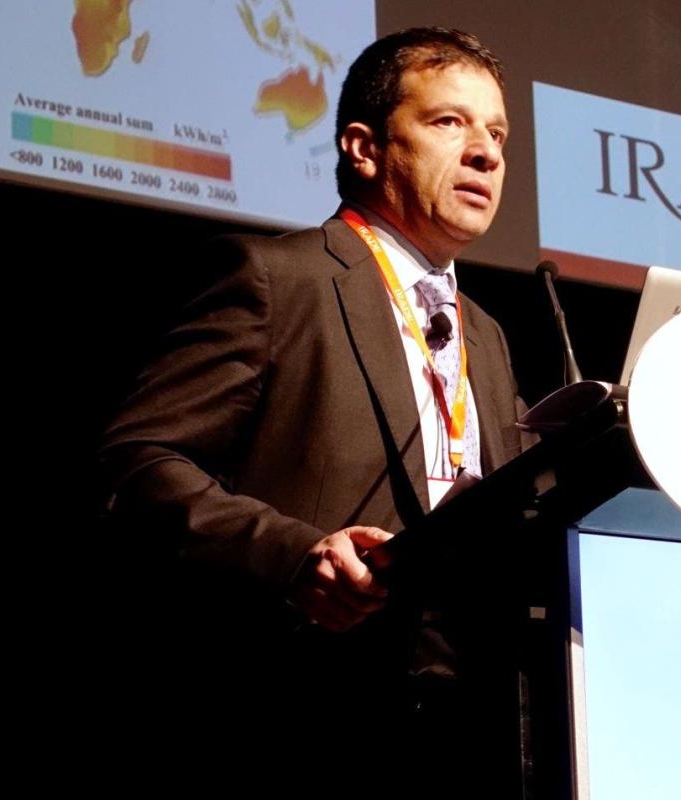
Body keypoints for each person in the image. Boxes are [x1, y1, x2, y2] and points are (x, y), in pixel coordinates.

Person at [98, 27, 526, 780]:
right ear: (364, 148)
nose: (486, 154)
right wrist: (291, 555)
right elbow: (137, 462)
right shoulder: (274, 279)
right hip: (306, 711)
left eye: (496, 134)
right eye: (448, 122)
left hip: (472, 727)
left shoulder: (484, 334)